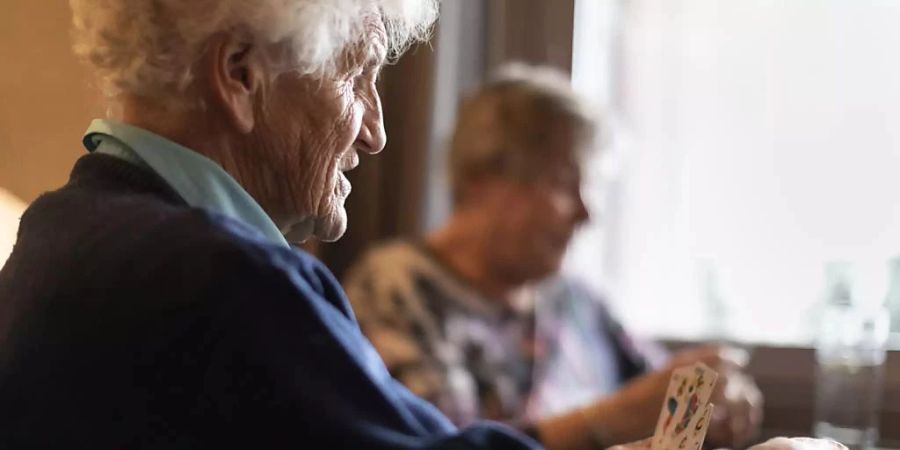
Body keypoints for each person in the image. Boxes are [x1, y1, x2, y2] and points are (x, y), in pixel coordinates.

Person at [0, 1, 546, 448]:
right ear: (239, 73)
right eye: (356, 77)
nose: (375, 132)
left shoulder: (60, 226)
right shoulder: (223, 280)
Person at [343, 65, 764, 450]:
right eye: (563, 183)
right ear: (480, 179)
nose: (587, 212)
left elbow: (661, 389)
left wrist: (717, 397)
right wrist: (614, 419)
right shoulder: (394, 290)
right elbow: (441, 446)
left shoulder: (576, 301)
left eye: (590, 185)